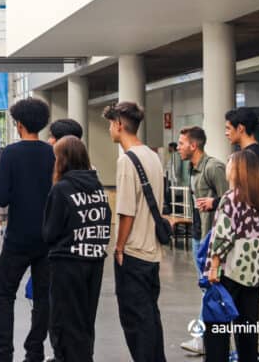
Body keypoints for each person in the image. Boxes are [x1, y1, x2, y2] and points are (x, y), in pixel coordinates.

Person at [0, 98, 55, 362]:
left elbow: (2, 198)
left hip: (18, 237)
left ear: (18, 124)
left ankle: (4, 353)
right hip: (48, 237)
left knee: (5, 294)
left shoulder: (10, 153)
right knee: (43, 297)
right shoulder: (53, 153)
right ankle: (35, 350)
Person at [103, 101, 166, 362]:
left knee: (134, 320)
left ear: (119, 124)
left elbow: (126, 211)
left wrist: (118, 247)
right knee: (150, 315)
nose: (109, 129)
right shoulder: (152, 156)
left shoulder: (127, 161)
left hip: (134, 252)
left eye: (110, 124)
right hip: (152, 252)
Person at [43, 135, 111, 362]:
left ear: (62, 160)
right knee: (85, 319)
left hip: (67, 264)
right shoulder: (99, 188)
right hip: (94, 262)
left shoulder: (61, 189)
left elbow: (50, 232)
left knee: (63, 321)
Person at [203, 150, 259, 362]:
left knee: (217, 327)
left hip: (230, 272)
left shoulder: (231, 198)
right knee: (247, 328)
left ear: (240, 170)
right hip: (252, 273)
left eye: (230, 163)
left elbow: (223, 236)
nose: (227, 168)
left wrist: (213, 267)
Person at [225, 107, 259, 360]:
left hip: (250, 240)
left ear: (241, 128)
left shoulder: (251, 156)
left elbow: (248, 198)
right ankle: (251, 348)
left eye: (228, 128)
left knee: (254, 297)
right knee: (251, 296)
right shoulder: (257, 154)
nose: (225, 133)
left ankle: (257, 348)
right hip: (252, 237)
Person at [176, 126, 227, 355]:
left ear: (193, 145)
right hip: (199, 236)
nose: (178, 147)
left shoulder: (213, 167)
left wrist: (214, 202)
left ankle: (203, 339)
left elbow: (230, 200)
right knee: (207, 290)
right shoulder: (193, 169)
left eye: (181, 143)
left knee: (210, 290)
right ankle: (206, 339)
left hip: (210, 238)